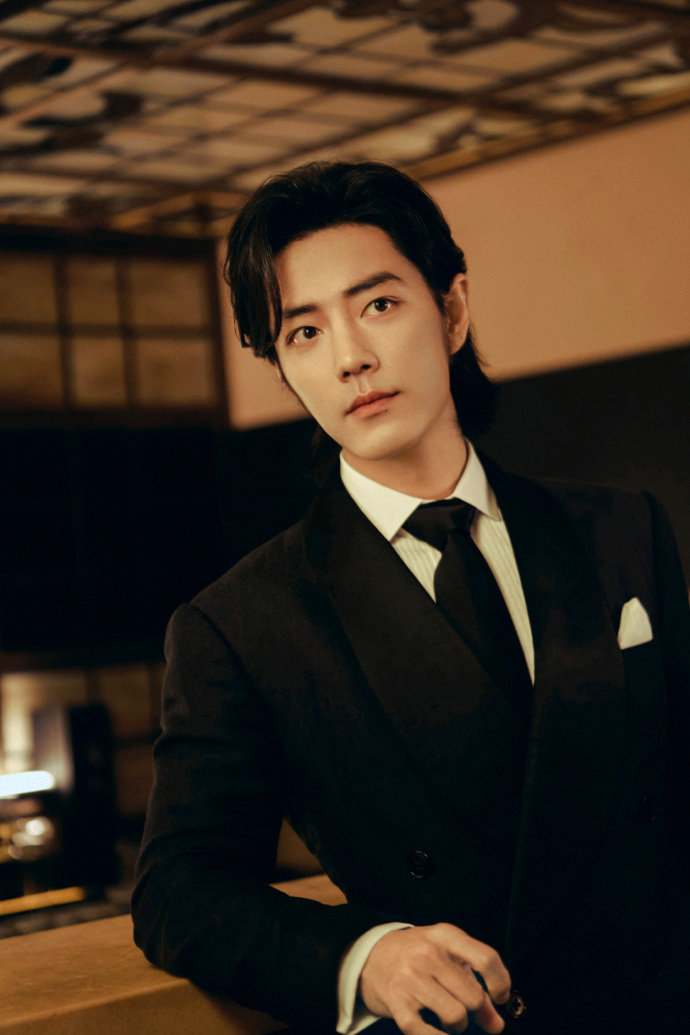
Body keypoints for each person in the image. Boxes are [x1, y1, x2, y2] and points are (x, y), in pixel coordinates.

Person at [132, 161, 690, 1034]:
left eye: (379, 304)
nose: (350, 356)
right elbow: (178, 887)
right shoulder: (241, 625)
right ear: (283, 367)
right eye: (304, 331)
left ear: (453, 310)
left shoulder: (622, 530)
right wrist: (366, 955)